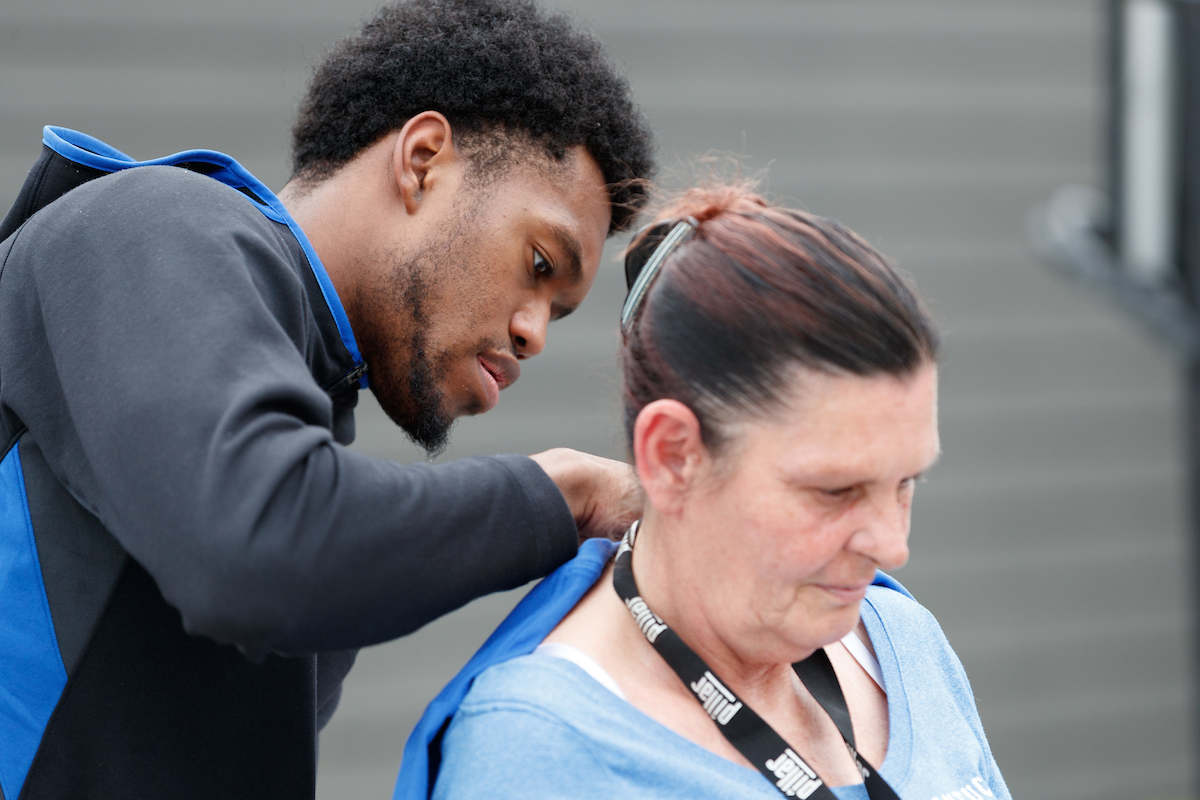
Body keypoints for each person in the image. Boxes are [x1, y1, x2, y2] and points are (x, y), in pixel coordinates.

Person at [0, 1, 654, 798]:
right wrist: (563, 496)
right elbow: (255, 544)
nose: (534, 333)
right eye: (540, 264)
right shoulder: (152, 226)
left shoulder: (307, 440)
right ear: (423, 160)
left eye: (559, 312)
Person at [397, 184, 1012, 800]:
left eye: (905, 483)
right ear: (673, 458)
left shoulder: (902, 637)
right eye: (835, 490)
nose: (892, 548)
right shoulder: (537, 754)